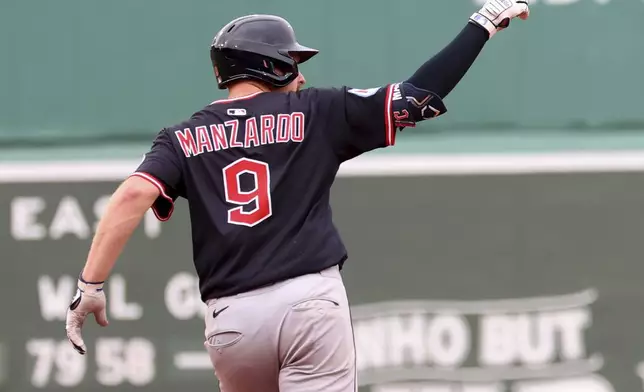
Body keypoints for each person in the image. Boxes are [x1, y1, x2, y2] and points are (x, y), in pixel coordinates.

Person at [65, 1, 530, 391]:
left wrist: (91, 286)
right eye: (293, 62)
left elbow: (131, 196)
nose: (301, 75)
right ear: (271, 64)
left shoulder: (180, 138)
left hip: (232, 320)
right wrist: (481, 25)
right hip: (309, 303)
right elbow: (416, 97)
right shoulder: (316, 110)